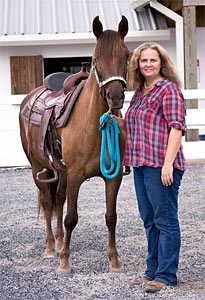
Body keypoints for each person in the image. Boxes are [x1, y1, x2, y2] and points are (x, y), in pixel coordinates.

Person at [124, 42, 186, 293]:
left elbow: (176, 128)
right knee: (149, 220)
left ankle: (166, 275)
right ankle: (152, 271)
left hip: (161, 165)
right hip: (140, 164)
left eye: (153, 60)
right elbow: (136, 125)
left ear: (162, 64)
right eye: (143, 60)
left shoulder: (168, 90)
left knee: (165, 221)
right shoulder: (140, 91)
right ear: (137, 64)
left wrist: (168, 164)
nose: (148, 64)